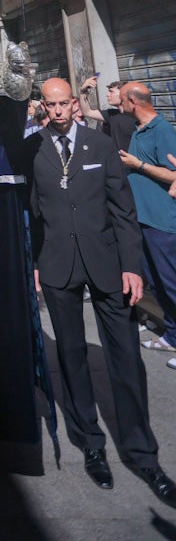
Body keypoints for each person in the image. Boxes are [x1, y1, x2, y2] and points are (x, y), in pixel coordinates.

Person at [27, 77, 176, 503]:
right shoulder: (33, 150)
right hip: (59, 268)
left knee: (126, 358)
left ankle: (144, 455)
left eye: (63, 103)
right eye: (50, 104)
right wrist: (36, 263)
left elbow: (123, 210)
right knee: (71, 357)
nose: (57, 111)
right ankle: (91, 444)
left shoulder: (101, 144)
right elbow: (31, 212)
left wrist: (132, 267)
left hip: (109, 267)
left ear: (74, 103)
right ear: (43, 106)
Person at [117, 83, 176, 359]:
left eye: (121, 102)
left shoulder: (162, 130)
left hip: (161, 222)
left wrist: (137, 165)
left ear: (132, 101)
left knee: (171, 282)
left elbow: (175, 175)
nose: (120, 107)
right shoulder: (138, 129)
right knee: (157, 283)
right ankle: (173, 334)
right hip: (142, 220)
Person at [79, 76, 136, 146]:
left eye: (111, 92)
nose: (107, 95)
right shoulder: (111, 114)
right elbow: (87, 112)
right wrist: (83, 92)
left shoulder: (136, 115)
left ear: (123, 93)